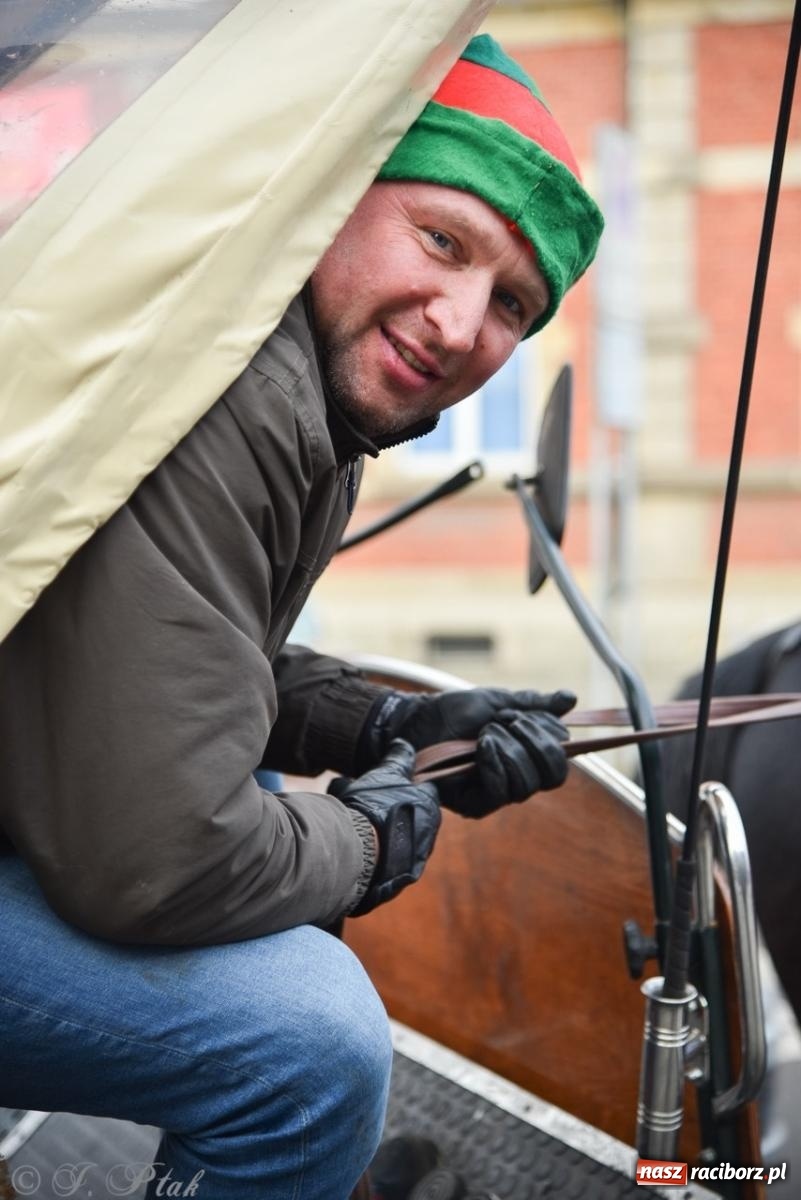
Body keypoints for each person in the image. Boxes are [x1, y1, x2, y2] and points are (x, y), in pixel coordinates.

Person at [0, 34, 603, 1200]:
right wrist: (377, 837)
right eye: (443, 240)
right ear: (332, 187)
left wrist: (393, 726)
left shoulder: (296, 372)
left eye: (512, 306)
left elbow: (171, 668)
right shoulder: (242, 392)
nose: (458, 322)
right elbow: (158, 864)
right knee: (310, 1046)